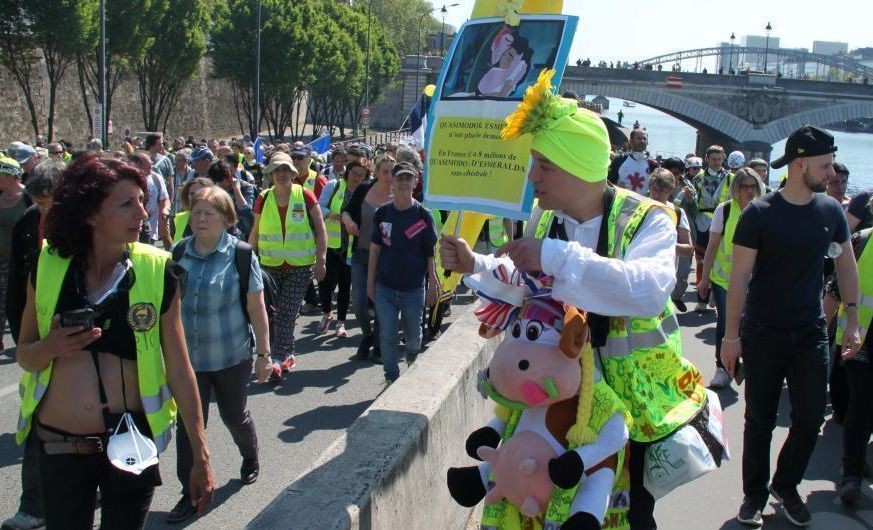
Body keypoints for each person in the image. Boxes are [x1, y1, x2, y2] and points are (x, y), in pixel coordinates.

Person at [440, 70, 708, 530]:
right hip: (560, 398)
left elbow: (647, 290)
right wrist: (477, 265)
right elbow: (530, 290)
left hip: (632, 407)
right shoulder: (546, 226)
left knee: (630, 515)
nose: (532, 176)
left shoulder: (649, 219)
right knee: (553, 507)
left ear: (578, 167)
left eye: (544, 165)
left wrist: (555, 256)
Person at [14, 153, 214, 529]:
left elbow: (180, 369)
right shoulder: (47, 265)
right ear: (91, 213)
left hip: (131, 448)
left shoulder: (157, 269)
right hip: (60, 449)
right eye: (128, 204)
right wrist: (50, 348)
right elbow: (25, 355)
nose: (143, 212)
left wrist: (201, 453)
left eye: (142, 201)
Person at [720, 125, 859, 527]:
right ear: (800, 163)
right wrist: (731, 338)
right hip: (763, 331)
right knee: (759, 419)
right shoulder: (759, 214)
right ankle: (753, 496)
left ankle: (786, 483)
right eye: (825, 164)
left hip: (811, 331)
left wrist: (851, 319)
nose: (831, 173)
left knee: (811, 415)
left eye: (832, 164)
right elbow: (739, 279)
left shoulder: (831, 211)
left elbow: (846, 265)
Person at [167, 187, 271, 523]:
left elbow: (256, 308)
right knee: (190, 426)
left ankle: (250, 455)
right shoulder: (179, 251)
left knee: (234, 415)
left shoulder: (241, 255)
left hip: (231, 356)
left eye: (208, 213)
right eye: (196, 212)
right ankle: (190, 492)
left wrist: (264, 354)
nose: (199, 219)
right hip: (189, 361)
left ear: (226, 219)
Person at [1, 159, 52, 530]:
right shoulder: (25, 224)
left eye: (51, 201)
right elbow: (19, 285)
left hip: (81, 342)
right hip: (38, 342)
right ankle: (33, 506)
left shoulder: (87, 226)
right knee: (36, 422)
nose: (45, 209)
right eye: (40, 201)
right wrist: (22, 335)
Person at [249, 152, 326, 378]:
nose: (281, 174)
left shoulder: (305, 195)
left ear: (292, 173)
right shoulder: (263, 198)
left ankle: (278, 359)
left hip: (300, 267)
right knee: (273, 314)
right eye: (277, 170)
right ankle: (286, 353)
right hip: (269, 266)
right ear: (271, 174)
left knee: (286, 312)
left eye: (285, 170)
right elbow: (254, 232)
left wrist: (321, 260)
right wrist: (245, 260)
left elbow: (320, 231)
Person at [368, 162, 439, 383]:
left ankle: (410, 356)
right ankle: (391, 377)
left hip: (413, 288)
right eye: (400, 178)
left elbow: (430, 255)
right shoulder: (382, 213)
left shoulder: (424, 216)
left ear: (415, 182)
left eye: (409, 179)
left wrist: (433, 284)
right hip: (385, 287)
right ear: (393, 182)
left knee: (414, 339)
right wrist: (370, 283)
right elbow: (375, 249)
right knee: (387, 336)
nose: (404, 183)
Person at [697, 168, 764, 389]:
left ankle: (741, 365)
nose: (749, 191)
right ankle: (723, 368)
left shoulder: (765, 211)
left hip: (756, 284)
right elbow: (712, 246)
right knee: (727, 324)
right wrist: (704, 278)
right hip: (725, 281)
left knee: (750, 326)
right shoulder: (724, 211)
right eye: (744, 186)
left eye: (753, 186)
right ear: (736, 189)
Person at [343, 154, 395, 362]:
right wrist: (348, 222)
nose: (389, 176)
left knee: (381, 300)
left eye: (393, 172)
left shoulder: (397, 196)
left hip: (386, 258)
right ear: (377, 172)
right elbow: (346, 211)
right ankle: (368, 334)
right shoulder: (365, 189)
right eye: (385, 172)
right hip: (361, 254)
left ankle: (379, 345)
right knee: (359, 302)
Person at [317, 161, 368, 337]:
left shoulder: (364, 191)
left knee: (345, 286)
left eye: (361, 175)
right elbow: (319, 206)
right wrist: (333, 215)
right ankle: (327, 313)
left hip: (351, 246)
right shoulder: (335, 185)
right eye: (354, 173)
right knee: (325, 283)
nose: (357, 178)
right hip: (331, 243)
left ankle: (341, 323)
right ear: (348, 172)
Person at [648, 168, 694, 313]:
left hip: (664, 276)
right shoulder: (638, 206)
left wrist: (664, 244)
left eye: (663, 191)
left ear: (670, 190)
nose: (656, 194)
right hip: (640, 272)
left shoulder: (677, 212)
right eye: (654, 189)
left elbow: (688, 248)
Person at [692, 145, 731, 312]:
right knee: (702, 261)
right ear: (706, 159)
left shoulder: (731, 178)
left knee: (719, 260)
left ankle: (717, 294)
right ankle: (702, 298)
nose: (716, 162)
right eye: (713, 159)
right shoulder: (698, 178)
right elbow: (692, 203)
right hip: (703, 222)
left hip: (723, 221)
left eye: (719, 159)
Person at [0, 156, 32, 349]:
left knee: (17, 301)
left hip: (21, 261)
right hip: (1, 260)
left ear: (10, 176)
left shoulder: (28, 197)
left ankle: (25, 335)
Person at [206, 159, 255, 240]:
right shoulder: (213, 188)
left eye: (220, 180)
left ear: (229, 176)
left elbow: (246, 211)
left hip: (243, 235)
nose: (218, 184)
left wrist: (237, 190)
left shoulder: (246, 187)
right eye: (215, 181)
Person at [477, 28, 531, 98]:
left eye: (510, 57)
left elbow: (502, 95)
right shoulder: (493, 71)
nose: (503, 55)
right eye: (505, 52)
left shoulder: (514, 76)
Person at [606, 129, 657, 194]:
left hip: (644, 203)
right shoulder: (619, 160)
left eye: (644, 139)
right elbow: (608, 183)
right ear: (631, 141)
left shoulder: (653, 164)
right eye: (639, 138)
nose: (642, 141)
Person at [171, 177, 215, 244]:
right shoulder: (179, 219)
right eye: (192, 194)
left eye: (201, 193)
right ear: (187, 197)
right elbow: (175, 248)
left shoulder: (219, 218)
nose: (196, 197)